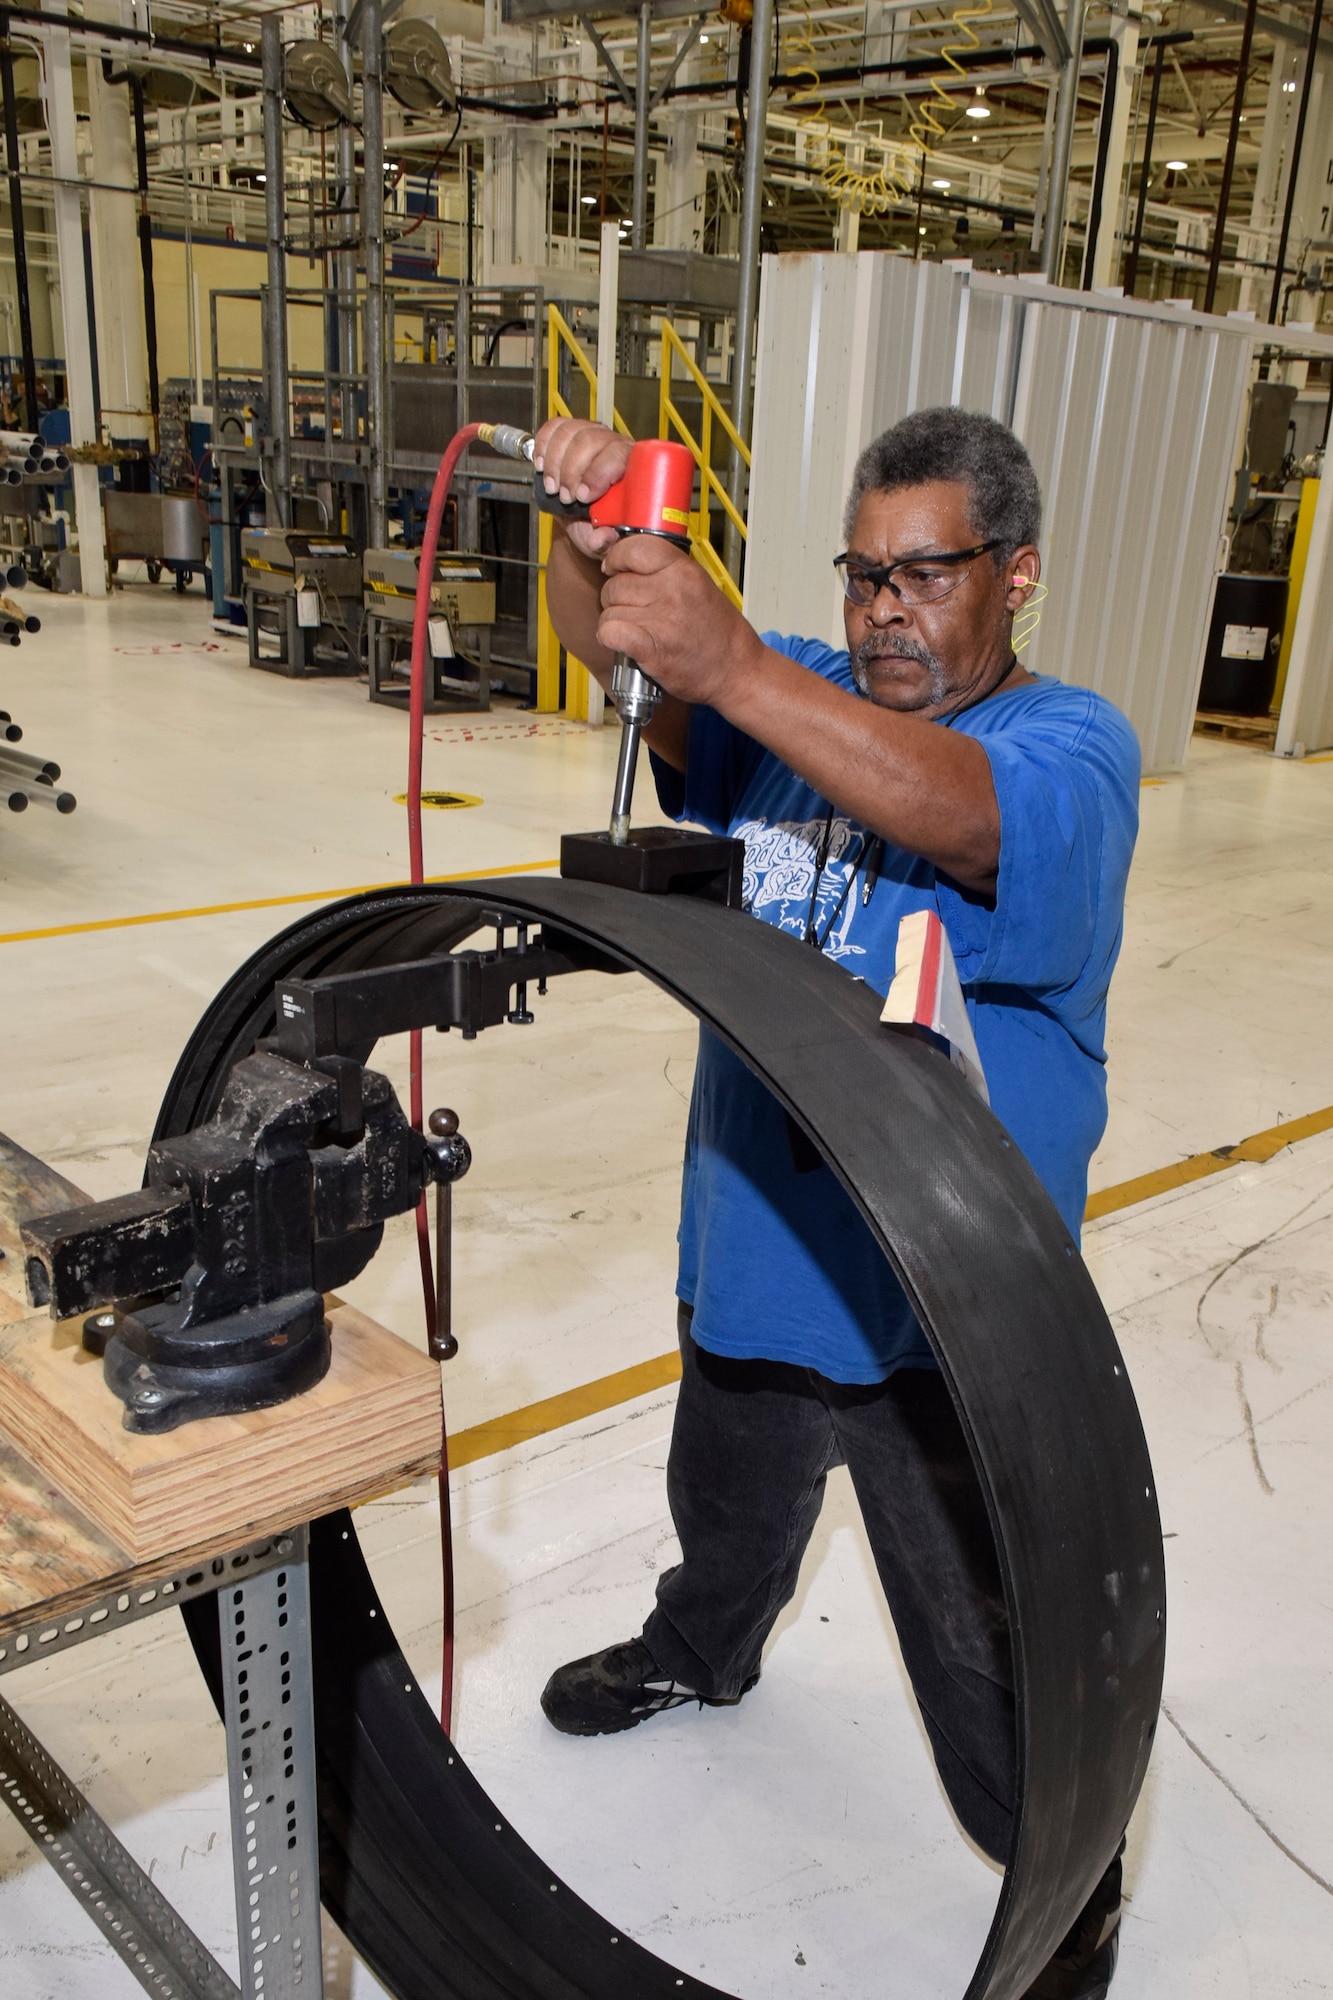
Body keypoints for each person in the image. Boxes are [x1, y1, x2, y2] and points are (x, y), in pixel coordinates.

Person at [534, 405, 1140, 2000]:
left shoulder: (1067, 747)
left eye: (925, 575)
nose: (884, 608)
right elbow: (625, 645)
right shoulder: (792, 695)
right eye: (863, 573)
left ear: (1015, 575)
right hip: (756, 1249)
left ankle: (1061, 1862)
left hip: (948, 1307)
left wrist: (733, 664)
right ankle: (698, 1651)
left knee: (983, 1632)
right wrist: (588, 531)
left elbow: (969, 820)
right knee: (723, 1509)